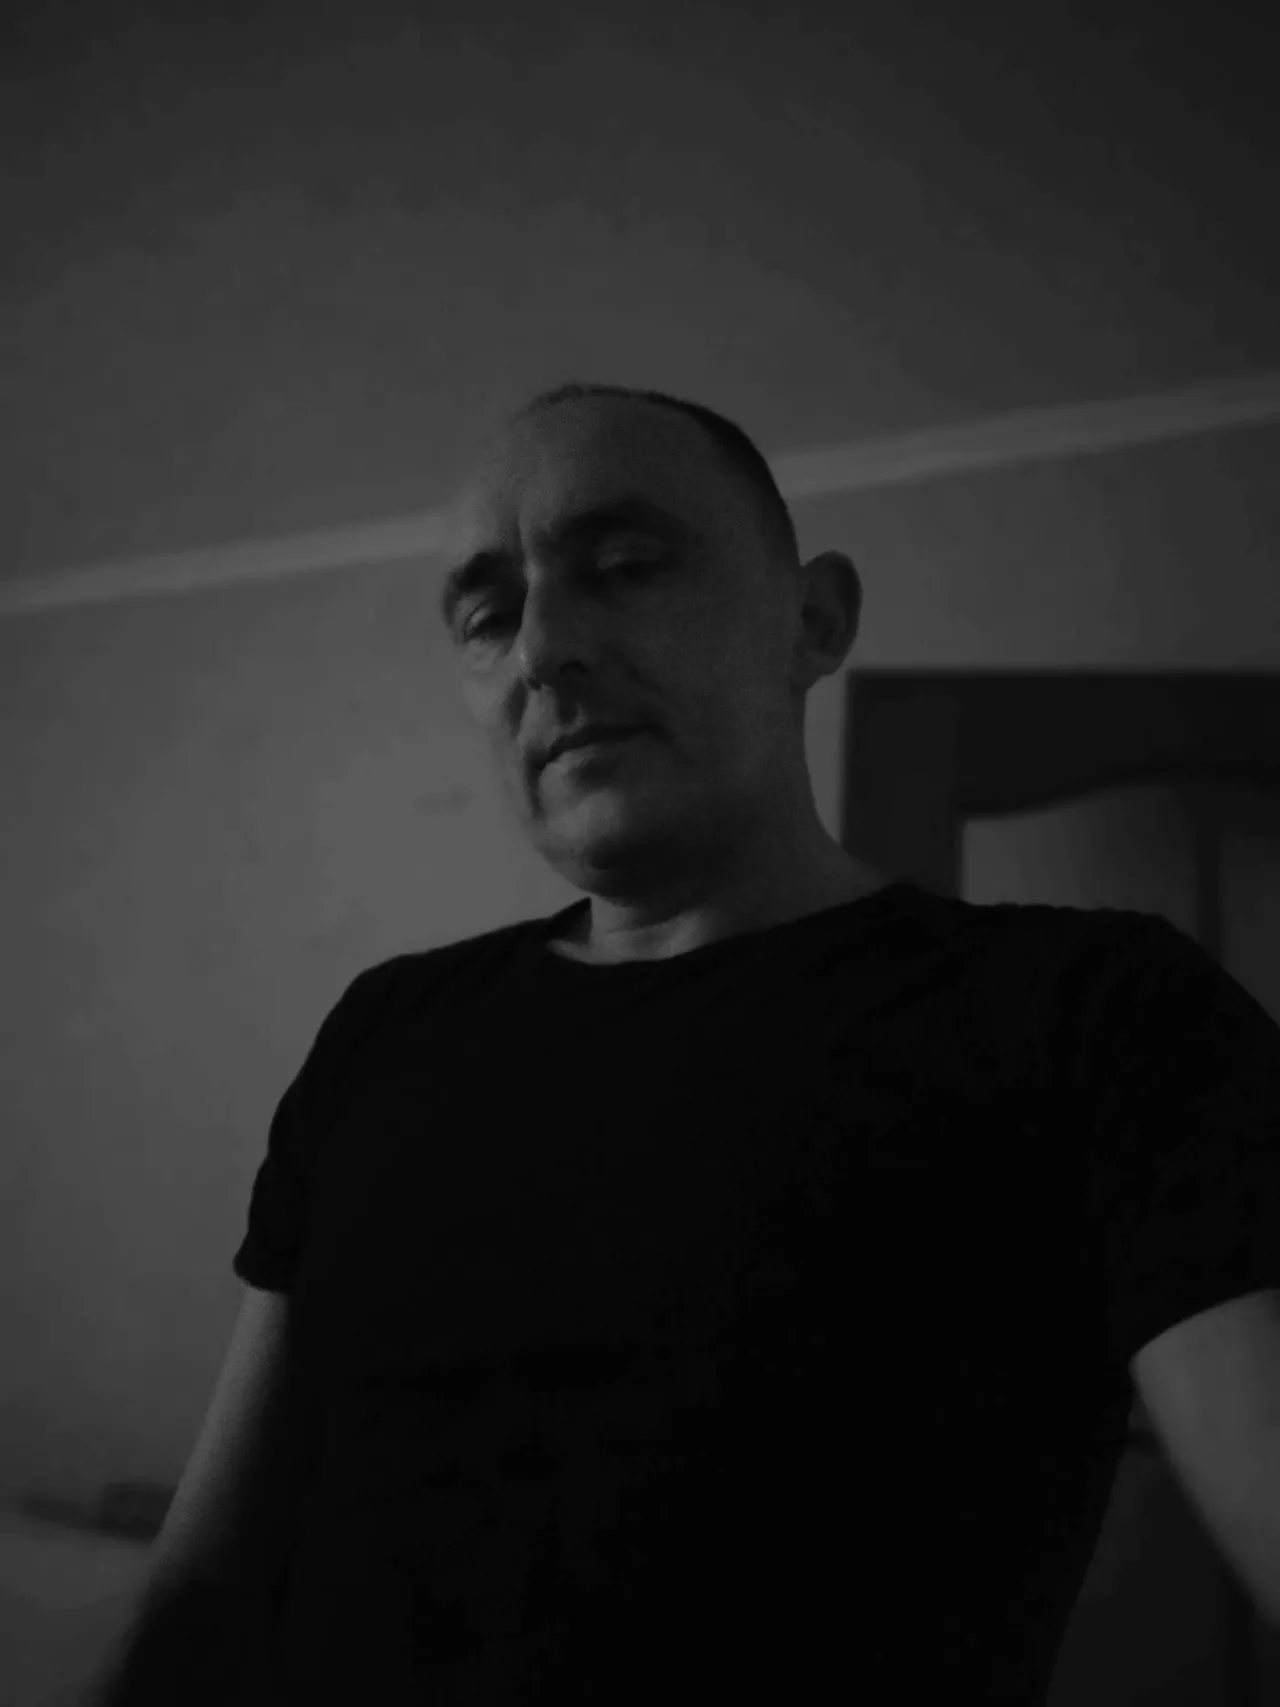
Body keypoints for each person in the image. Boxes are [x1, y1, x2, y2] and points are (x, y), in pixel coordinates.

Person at [91, 384, 1280, 1705]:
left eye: (625, 566)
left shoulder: (1093, 1014)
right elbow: (196, 1599)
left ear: (813, 620)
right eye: (489, 614)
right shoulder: (384, 1032)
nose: (545, 648)